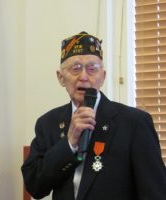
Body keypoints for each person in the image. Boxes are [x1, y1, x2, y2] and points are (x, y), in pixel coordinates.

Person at [21, 31, 166, 200]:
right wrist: (69, 144)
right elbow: (35, 186)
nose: (83, 77)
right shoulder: (48, 123)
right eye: (75, 69)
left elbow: (156, 192)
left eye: (92, 69)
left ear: (102, 77)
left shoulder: (134, 123)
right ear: (61, 78)